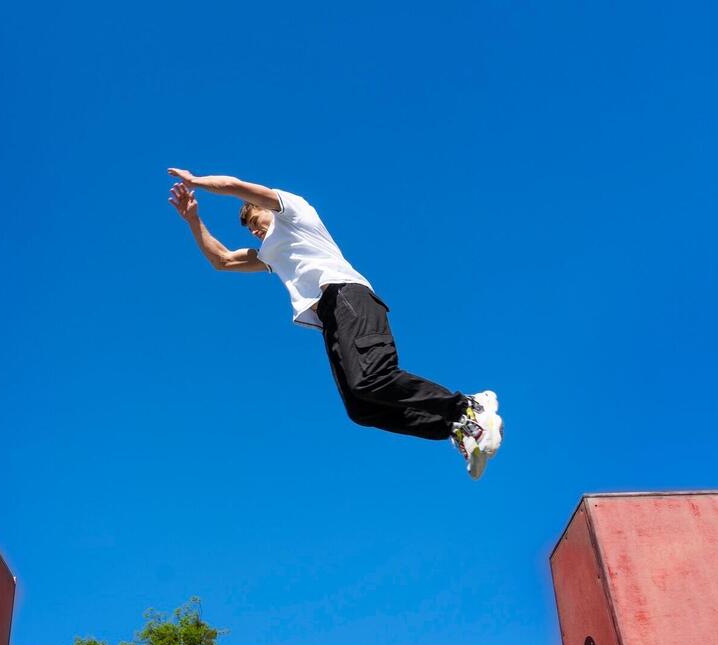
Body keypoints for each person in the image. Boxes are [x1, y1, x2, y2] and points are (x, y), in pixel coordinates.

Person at [167, 168, 503, 479]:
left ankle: (467, 406)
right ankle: (458, 427)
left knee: (373, 378)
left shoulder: (294, 214)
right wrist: (193, 219)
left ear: (267, 208)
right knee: (362, 409)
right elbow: (222, 261)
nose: (255, 231)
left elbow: (237, 187)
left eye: (256, 219)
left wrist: (197, 182)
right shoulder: (271, 254)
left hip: (346, 294)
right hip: (329, 318)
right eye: (252, 230)